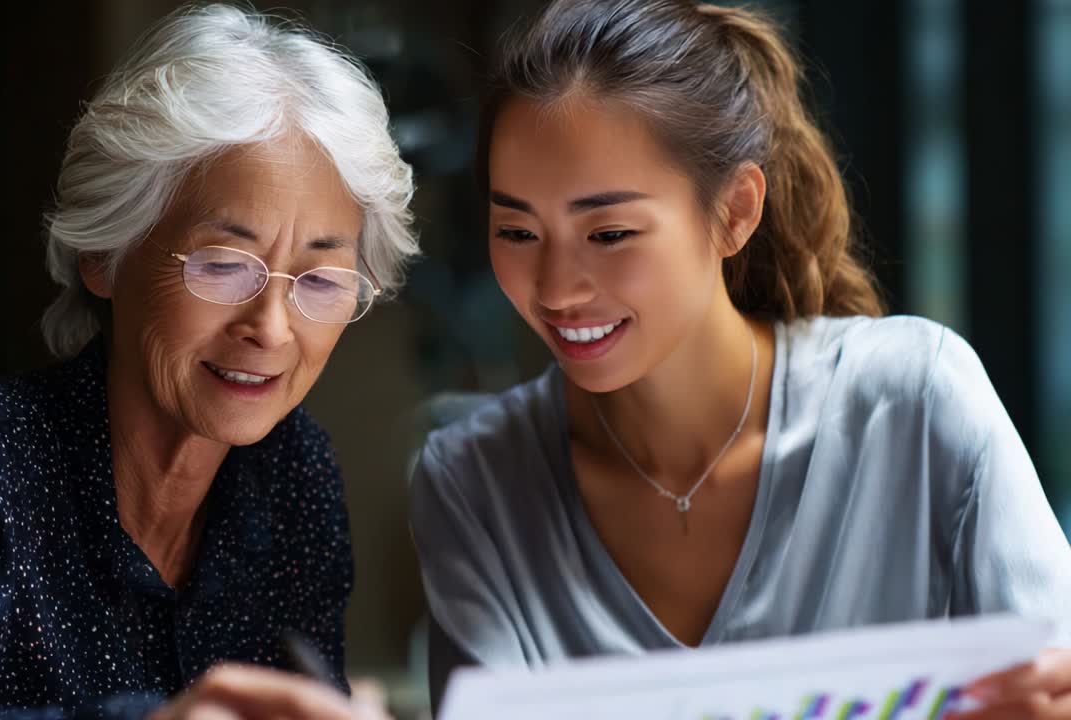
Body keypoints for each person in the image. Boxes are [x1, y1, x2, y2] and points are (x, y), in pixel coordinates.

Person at [409, 1, 1071, 716]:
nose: (556, 289)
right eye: (517, 230)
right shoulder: (474, 483)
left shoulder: (913, 400)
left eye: (610, 233)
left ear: (734, 212)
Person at [0, 4, 416, 718]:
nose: (271, 329)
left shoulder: (293, 476)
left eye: (320, 281)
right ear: (104, 253)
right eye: (222, 265)